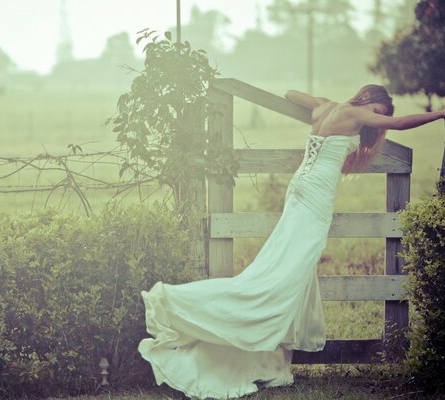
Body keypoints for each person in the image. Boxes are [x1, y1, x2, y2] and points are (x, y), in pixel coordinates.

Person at [137, 84, 445, 399]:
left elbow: (290, 94)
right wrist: (440, 113)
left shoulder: (327, 106)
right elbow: (401, 123)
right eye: (376, 111)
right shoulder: (356, 112)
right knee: (280, 275)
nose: (372, 120)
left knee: (292, 270)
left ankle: (271, 362)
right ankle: (178, 303)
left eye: (376, 116)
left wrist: (315, 101)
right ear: (369, 99)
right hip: (316, 194)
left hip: (300, 185)